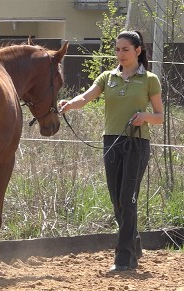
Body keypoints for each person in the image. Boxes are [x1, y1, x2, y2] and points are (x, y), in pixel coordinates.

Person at [59, 30, 164, 271]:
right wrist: (68, 105)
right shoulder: (108, 77)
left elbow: (160, 117)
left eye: (125, 49)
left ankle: (124, 259)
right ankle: (135, 244)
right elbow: (85, 97)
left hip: (137, 143)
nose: (120, 54)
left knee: (128, 199)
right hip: (111, 143)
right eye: (117, 49)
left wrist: (145, 116)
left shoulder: (150, 79)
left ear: (138, 51)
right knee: (117, 201)